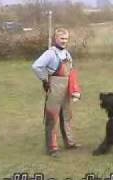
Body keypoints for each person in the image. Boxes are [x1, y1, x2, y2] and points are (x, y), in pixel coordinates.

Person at [31, 28, 81, 157]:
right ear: (56, 39)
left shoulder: (67, 54)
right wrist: (44, 80)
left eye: (66, 39)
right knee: (52, 117)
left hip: (66, 88)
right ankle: (52, 148)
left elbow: (71, 71)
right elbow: (36, 66)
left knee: (66, 115)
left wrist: (74, 89)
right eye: (62, 39)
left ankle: (69, 143)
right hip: (55, 87)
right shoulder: (50, 53)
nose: (64, 41)